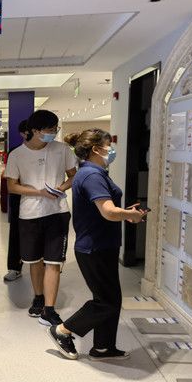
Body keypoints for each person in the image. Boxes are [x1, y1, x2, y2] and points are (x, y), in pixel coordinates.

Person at [47, 129, 147, 360]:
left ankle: (103, 347)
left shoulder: (92, 173)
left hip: (103, 244)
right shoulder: (92, 175)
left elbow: (106, 209)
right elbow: (108, 212)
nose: (111, 150)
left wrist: (125, 212)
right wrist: (130, 215)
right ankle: (62, 330)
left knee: (109, 299)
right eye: (108, 146)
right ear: (95, 149)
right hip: (95, 247)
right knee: (107, 302)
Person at [4, 110, 77, 326]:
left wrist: (61, 188)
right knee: (34, 260)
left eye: (55, 129)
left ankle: (50, 309)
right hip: (29, 214)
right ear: (35, 131)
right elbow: (12, 186)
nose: (53, 133)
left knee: (54, 261)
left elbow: (73, 176)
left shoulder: (61, 149)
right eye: (49, 129)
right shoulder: (17, 155)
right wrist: (39, 192)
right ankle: (38, 297)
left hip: (58, 212)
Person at [2, 120, 28, 282]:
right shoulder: (15, 152)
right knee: (17, 234)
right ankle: (15, 267)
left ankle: (45, 264)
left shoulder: (51, 151)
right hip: (20, 199)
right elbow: (11, 180)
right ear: (23, 134)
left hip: (45, 200)